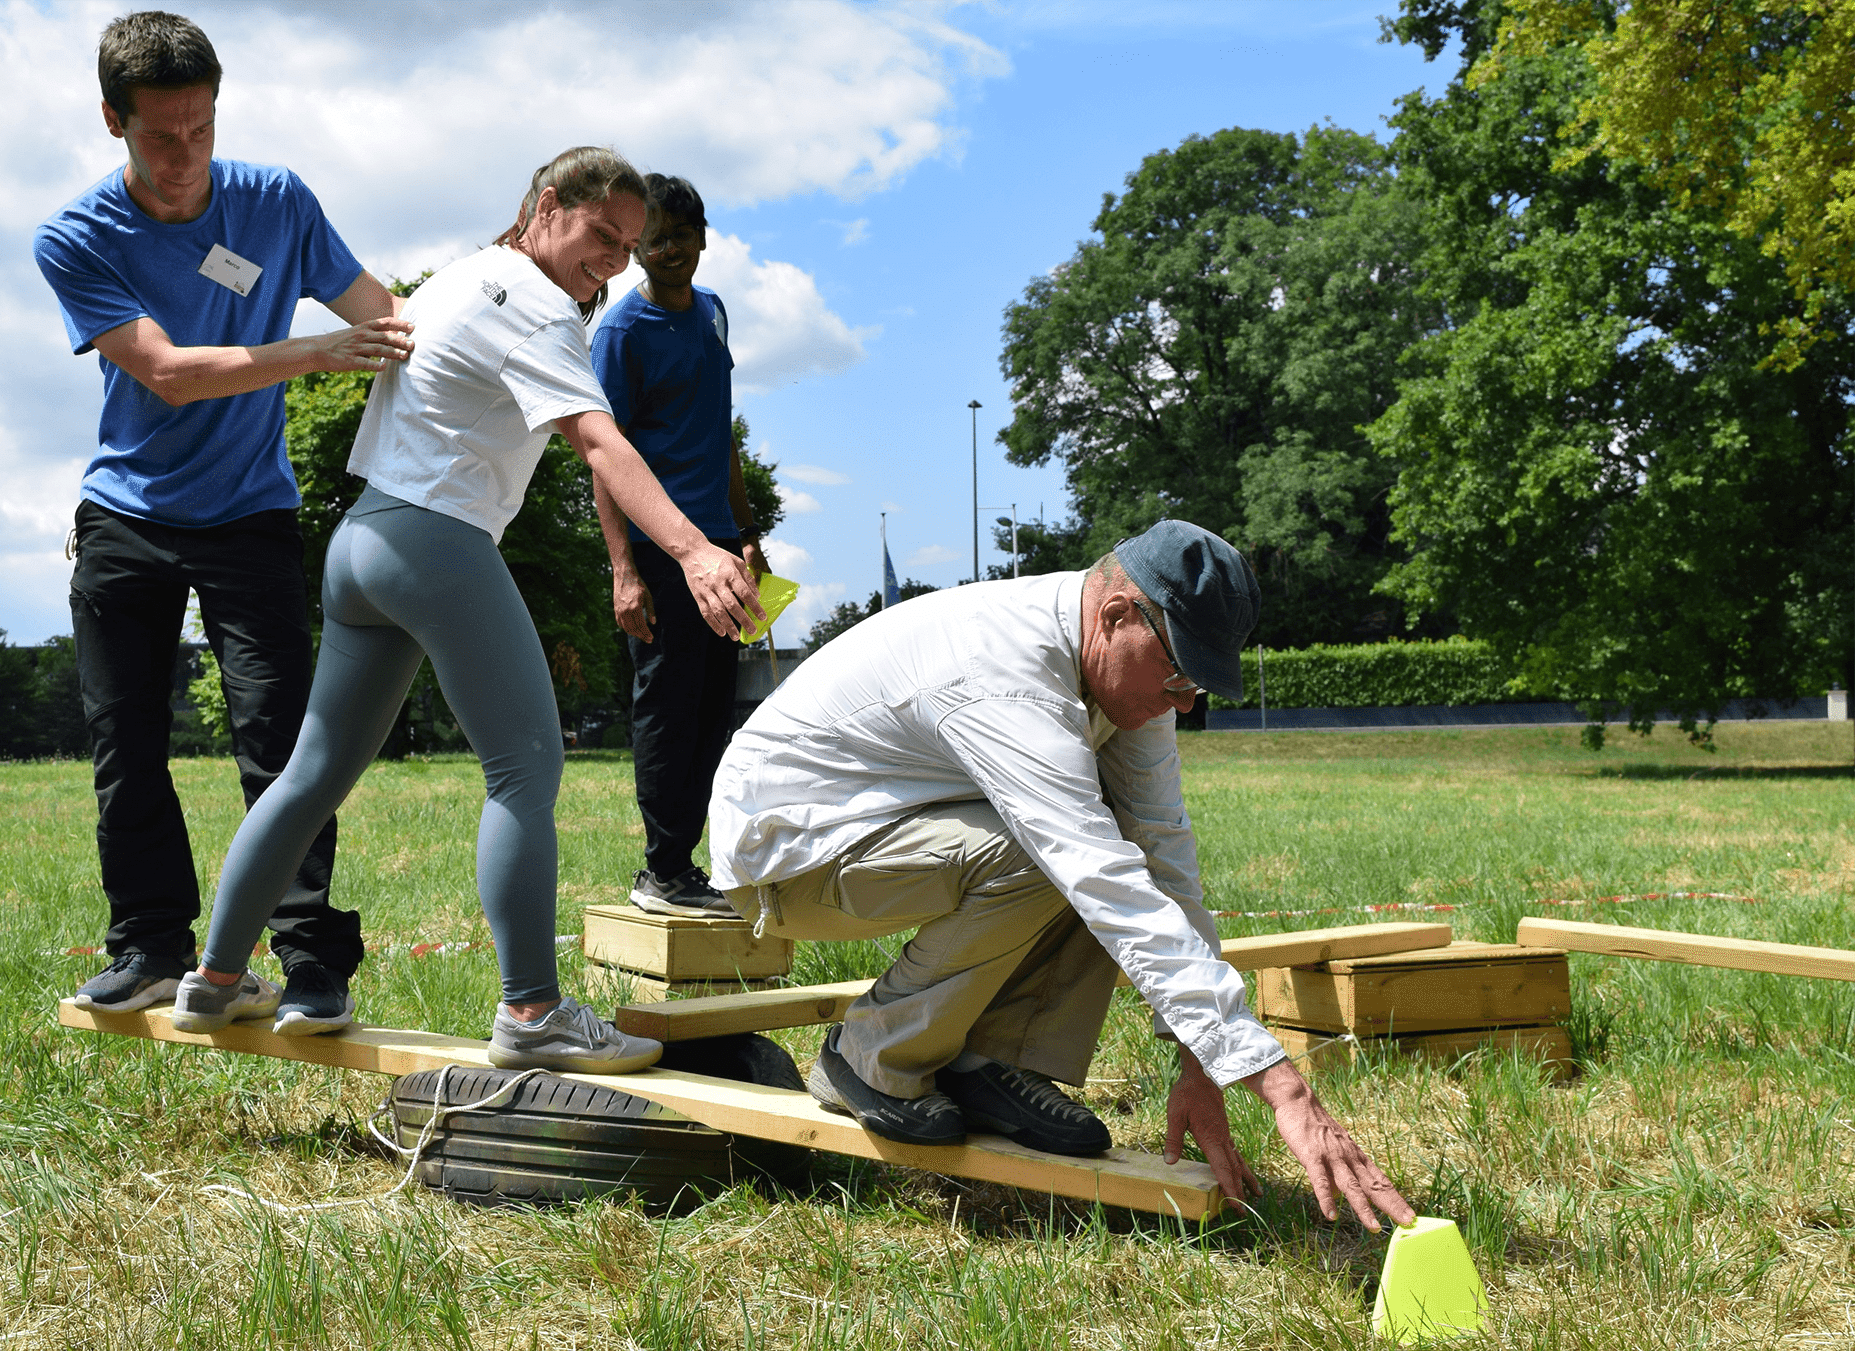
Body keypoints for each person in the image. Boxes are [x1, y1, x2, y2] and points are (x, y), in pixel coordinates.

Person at [170, 148, 764, 1074]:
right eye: (600, 236)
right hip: (434, 541)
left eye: (627, 247)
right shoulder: (534, 304)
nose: (611, 261)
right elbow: (597, 440)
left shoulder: (456, 278)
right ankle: (532, 1009)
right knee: (526, 767)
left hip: (361, 542)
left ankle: (213, 976)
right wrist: (690, 549)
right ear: (541, 207)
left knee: (311, 772)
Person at [707, 521, 1416, 1228]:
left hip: (890, 824)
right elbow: (1096, 871)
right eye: (1178, 674)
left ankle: (980, 1059)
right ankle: (868, 1056)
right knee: (1058, 847)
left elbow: (1161, 850)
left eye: (1196, 682)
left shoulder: (1121, 666)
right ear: (1114, 615)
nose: (1184, 702)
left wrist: (1201, 1062)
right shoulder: (1006, 676)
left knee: (1099, 838)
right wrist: (1281, 1085)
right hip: (793, 854)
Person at [33, 11, 415, 1025]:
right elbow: (165, 373)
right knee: (127, 743)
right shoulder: (76, 237)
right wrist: (313, 351)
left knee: (284, 741)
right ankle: (150, 947)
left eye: (200, 127)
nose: (184, 154)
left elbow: (382, 311)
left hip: (250, 513)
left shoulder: (276, 202)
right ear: (112, 120)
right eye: (161, 134)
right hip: (127, 515)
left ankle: (309, 958)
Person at [590, 174, 768, 918]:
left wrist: (747, 532)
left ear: (703, 235)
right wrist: (623, 569)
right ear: (633, 249)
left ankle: (694, 865)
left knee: (711, 710)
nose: (668, 251)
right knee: (666, 705)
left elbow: (720, 427)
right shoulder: (620, 334)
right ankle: (661, 870)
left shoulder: (715, 315)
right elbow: (602, 453)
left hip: (720, 549)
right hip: (660, 549)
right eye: (652, 240)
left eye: (679, 236)